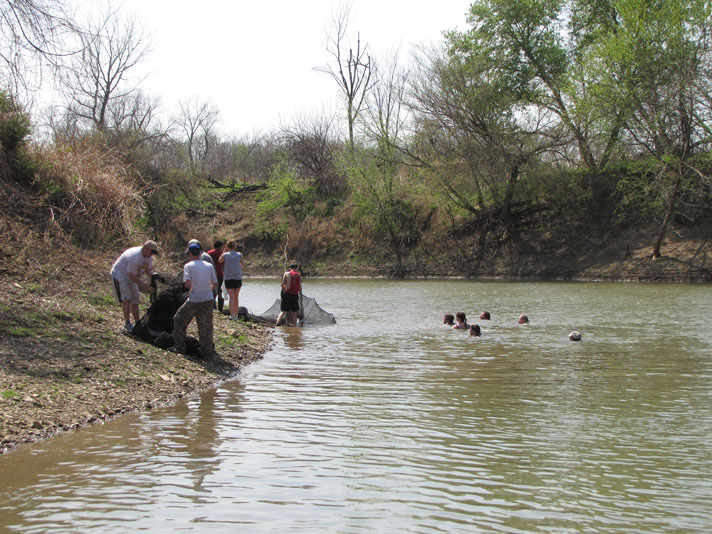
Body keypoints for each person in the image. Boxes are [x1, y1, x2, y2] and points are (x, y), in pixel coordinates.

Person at [172, 242, 218, 359]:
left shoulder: (188, 266)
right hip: (208, 298)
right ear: (200, 253)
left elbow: (187, 284)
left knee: (179, 319)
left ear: (190, 254)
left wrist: (193, 288)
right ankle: (207, 353)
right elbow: (215, 284)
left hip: (195, 298)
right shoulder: (209, 265)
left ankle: (179, 347)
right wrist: (207, 289)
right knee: (206, 326)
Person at [110, 240, 159, 332]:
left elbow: (148, 271)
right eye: (151, 252)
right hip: (121, 275)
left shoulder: (149, 257)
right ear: (145, 248)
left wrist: (154, 275)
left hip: (132, 277)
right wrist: (146, 287)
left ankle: (137, 323)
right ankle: (127, 323)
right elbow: (131, 275)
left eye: (153, 253)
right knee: (127, 298)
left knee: (135, 300)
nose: (152, 254)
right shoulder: (135, 256)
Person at [219, 241, 245, 321]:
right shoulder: (239, 254)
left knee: (232, 297)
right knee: (236, 296)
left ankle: (232, 314)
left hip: (228, 278)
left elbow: (220, 261)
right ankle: (236, 314)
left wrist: (224, 251)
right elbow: (243, 266)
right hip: (237, 277)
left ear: (227, 246)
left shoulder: (225, 255)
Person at [276, 260, 302, 326]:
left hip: (286, 294)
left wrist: (285, 288)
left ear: (290, 268)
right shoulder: (298, 275)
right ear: (296, 268)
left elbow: (282, 284)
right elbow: (299, 286)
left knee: (283, 311)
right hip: (295, 295)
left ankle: (278, 323)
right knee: (294, 312)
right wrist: (300, 294)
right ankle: (295, 326)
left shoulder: (286, 273)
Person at [207, 240, 225, 312]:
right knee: (219, 291)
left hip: (210, 274)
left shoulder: (209, 253)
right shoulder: (222, 254)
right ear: (220, 247)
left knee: (211, 290)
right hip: (219, 274)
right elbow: (224, 263)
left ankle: (213, 306)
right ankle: (220, 309)